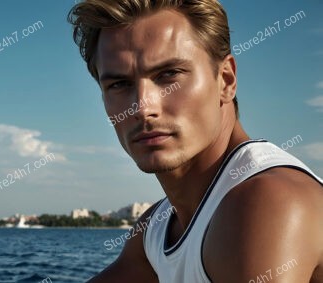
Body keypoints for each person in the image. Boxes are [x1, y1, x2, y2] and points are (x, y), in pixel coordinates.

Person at [67, 0, 323, 282]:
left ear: (226, 80)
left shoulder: (268, 200)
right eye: (119, 84)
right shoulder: (158, 228)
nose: (142, 107)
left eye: (168, 75)